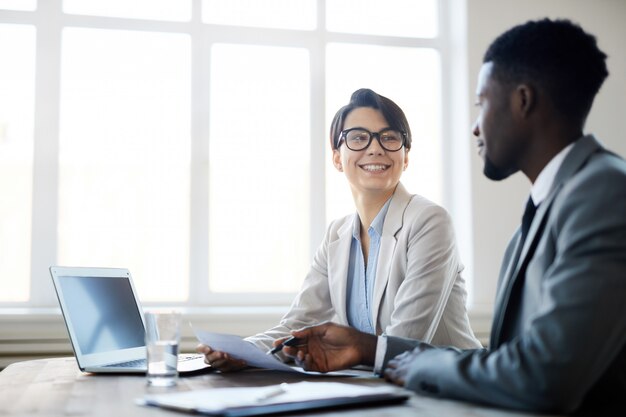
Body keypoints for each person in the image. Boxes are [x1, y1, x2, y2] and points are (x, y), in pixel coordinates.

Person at [281, 19, 626, 415]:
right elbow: (520, 357)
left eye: (483, 103)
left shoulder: (603, 192)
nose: (476, 127)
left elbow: (547, 374)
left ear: (523, 101)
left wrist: (417, 359)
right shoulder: (549, 206)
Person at [197, 88, 481, 371]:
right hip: (376, 390)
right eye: (358, 137)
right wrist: (242, 352)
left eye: (389, 137)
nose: (375, 148)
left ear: (405, 157)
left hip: (444, 390)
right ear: (336, 157)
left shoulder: (429, 221)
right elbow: (297, 324)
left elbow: (407, 341)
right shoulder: (337, 234)